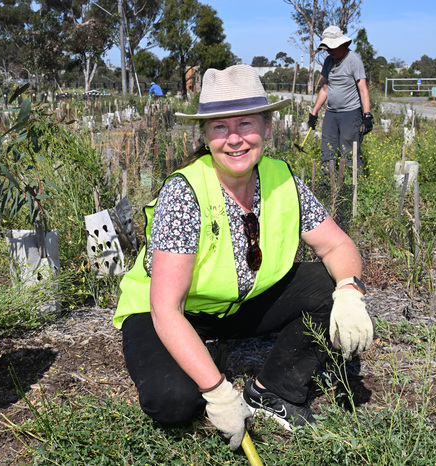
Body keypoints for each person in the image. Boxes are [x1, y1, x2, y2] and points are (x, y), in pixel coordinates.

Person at [113, 64, 373, 450]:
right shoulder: (185, 193)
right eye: (220, 127)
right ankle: (209, 380)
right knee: (173, 401)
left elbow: (338, 246)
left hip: (239, 306)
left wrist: (350, 291)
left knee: (328, 283)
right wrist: (217, 390)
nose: (234, 139)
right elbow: (166, 308)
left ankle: (272, 392)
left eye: (246, 124)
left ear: (267, 128)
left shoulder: (282, 178)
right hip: (170, 313)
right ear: (205, 134)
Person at [309, 26, 373, 172]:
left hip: (350, 113)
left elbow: (363, 89)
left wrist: (367, 115)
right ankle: (326, 187)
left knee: (349, 151)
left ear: (341, 44)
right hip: (331, 113)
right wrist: (314, 113)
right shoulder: (328, 61)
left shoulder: (353, 60)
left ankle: (354, 188)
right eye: (328, 49)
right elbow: (325, 89)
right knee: (327, 149)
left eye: (333, 48)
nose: (330, 52)